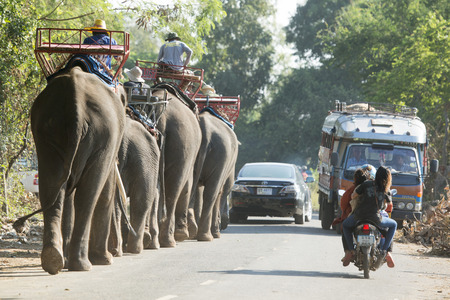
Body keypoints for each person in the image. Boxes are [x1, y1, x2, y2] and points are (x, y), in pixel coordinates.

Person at [342, 166, 397, 268]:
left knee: (345, 225)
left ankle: (350, 250)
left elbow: (353, 196)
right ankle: (385, 251)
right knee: (394, 224)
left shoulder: (366, 184)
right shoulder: (385, 189)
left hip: (359, 216)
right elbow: (389, 205)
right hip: (376, 219)